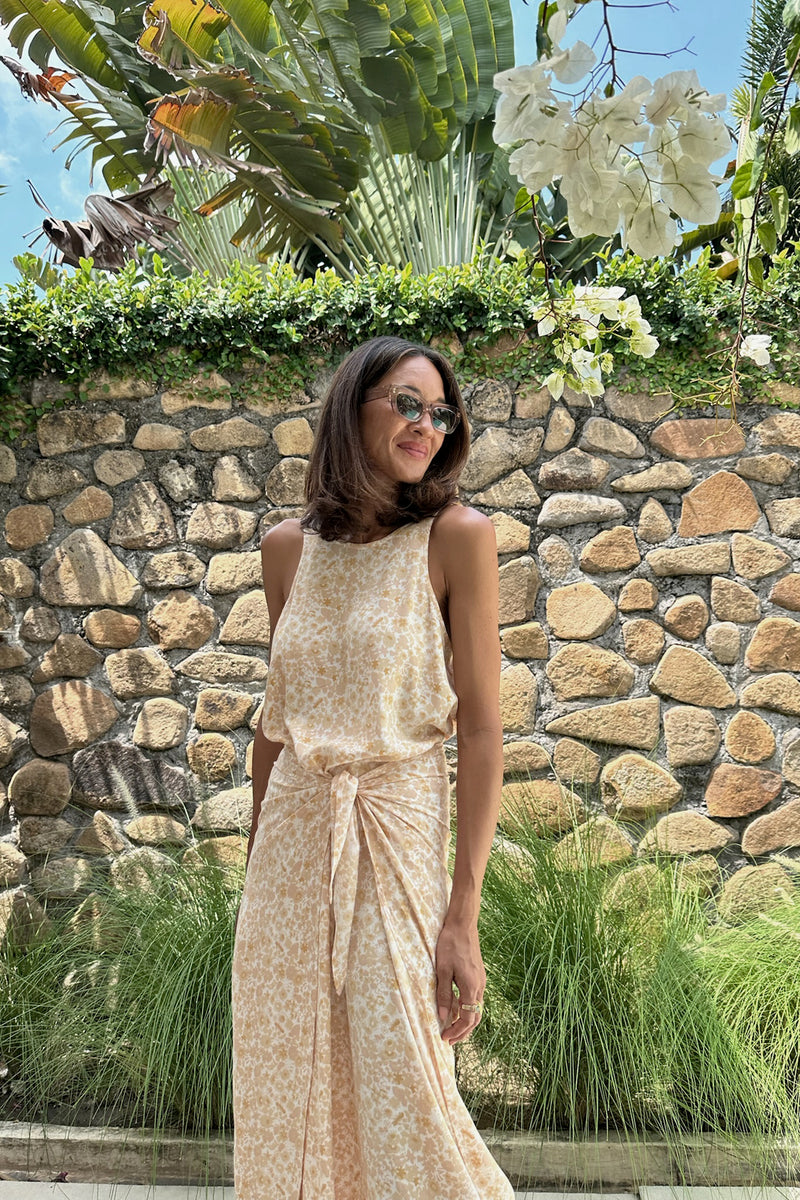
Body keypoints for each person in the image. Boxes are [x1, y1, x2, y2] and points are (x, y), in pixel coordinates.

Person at [231, 335, 514, 1199]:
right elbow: (273, 730)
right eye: (406, 403)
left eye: (441, 413)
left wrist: (462, 913)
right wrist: (259, 868)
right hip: (292, 845)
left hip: (397, 833)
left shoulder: (456, 539)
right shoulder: (288, 549)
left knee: (408, 1084)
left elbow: (481, 736)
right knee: (288, 1082)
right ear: (352, 408)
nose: (427, 425)